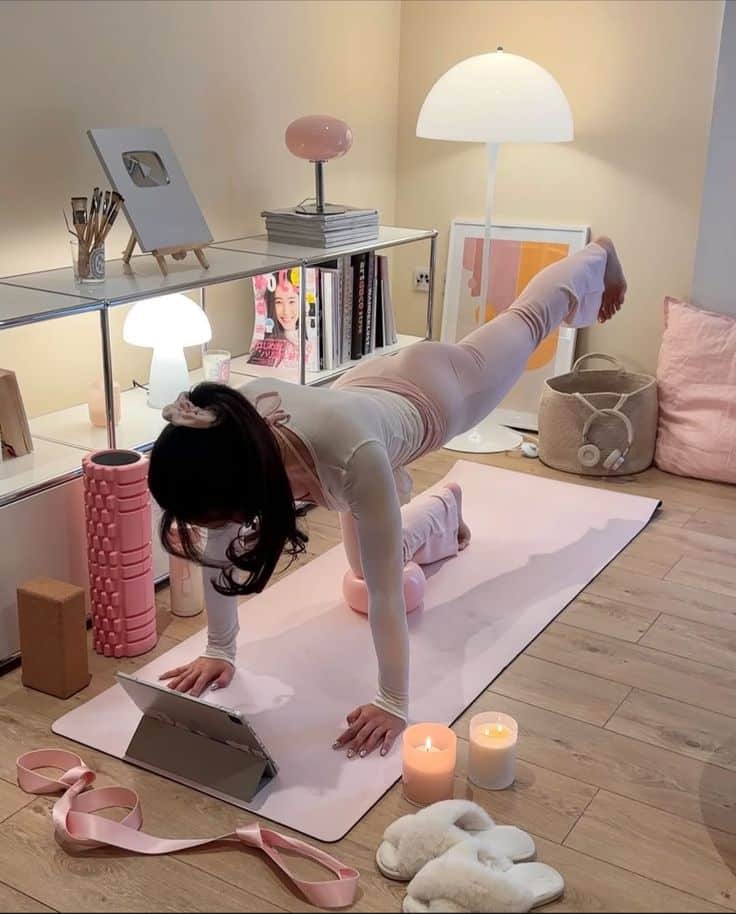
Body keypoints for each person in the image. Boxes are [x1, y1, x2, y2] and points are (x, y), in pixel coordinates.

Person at [148, 237, 627, 759]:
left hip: (441, 391)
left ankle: (599, 255)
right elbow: (220, 543)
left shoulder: (353, 462)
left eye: (214, 517)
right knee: (361, 566)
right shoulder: (233, 434)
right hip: (362, 396)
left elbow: (386, 596)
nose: (215, 529)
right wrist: (220, 649)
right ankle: (445, 509)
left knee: (531, 318)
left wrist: (393, 702)